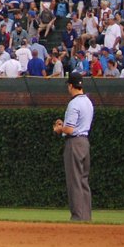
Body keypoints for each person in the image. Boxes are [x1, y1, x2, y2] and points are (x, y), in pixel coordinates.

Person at [52, 71, 94, 221]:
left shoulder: (74, 103)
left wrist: (59, 128)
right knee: (83, 180)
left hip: (74, 143)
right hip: (85, 142)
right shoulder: (88, 101)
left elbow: (69, 129)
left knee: (74, 180)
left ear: (71, 85)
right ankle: (86, 216)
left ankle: (77, 216)